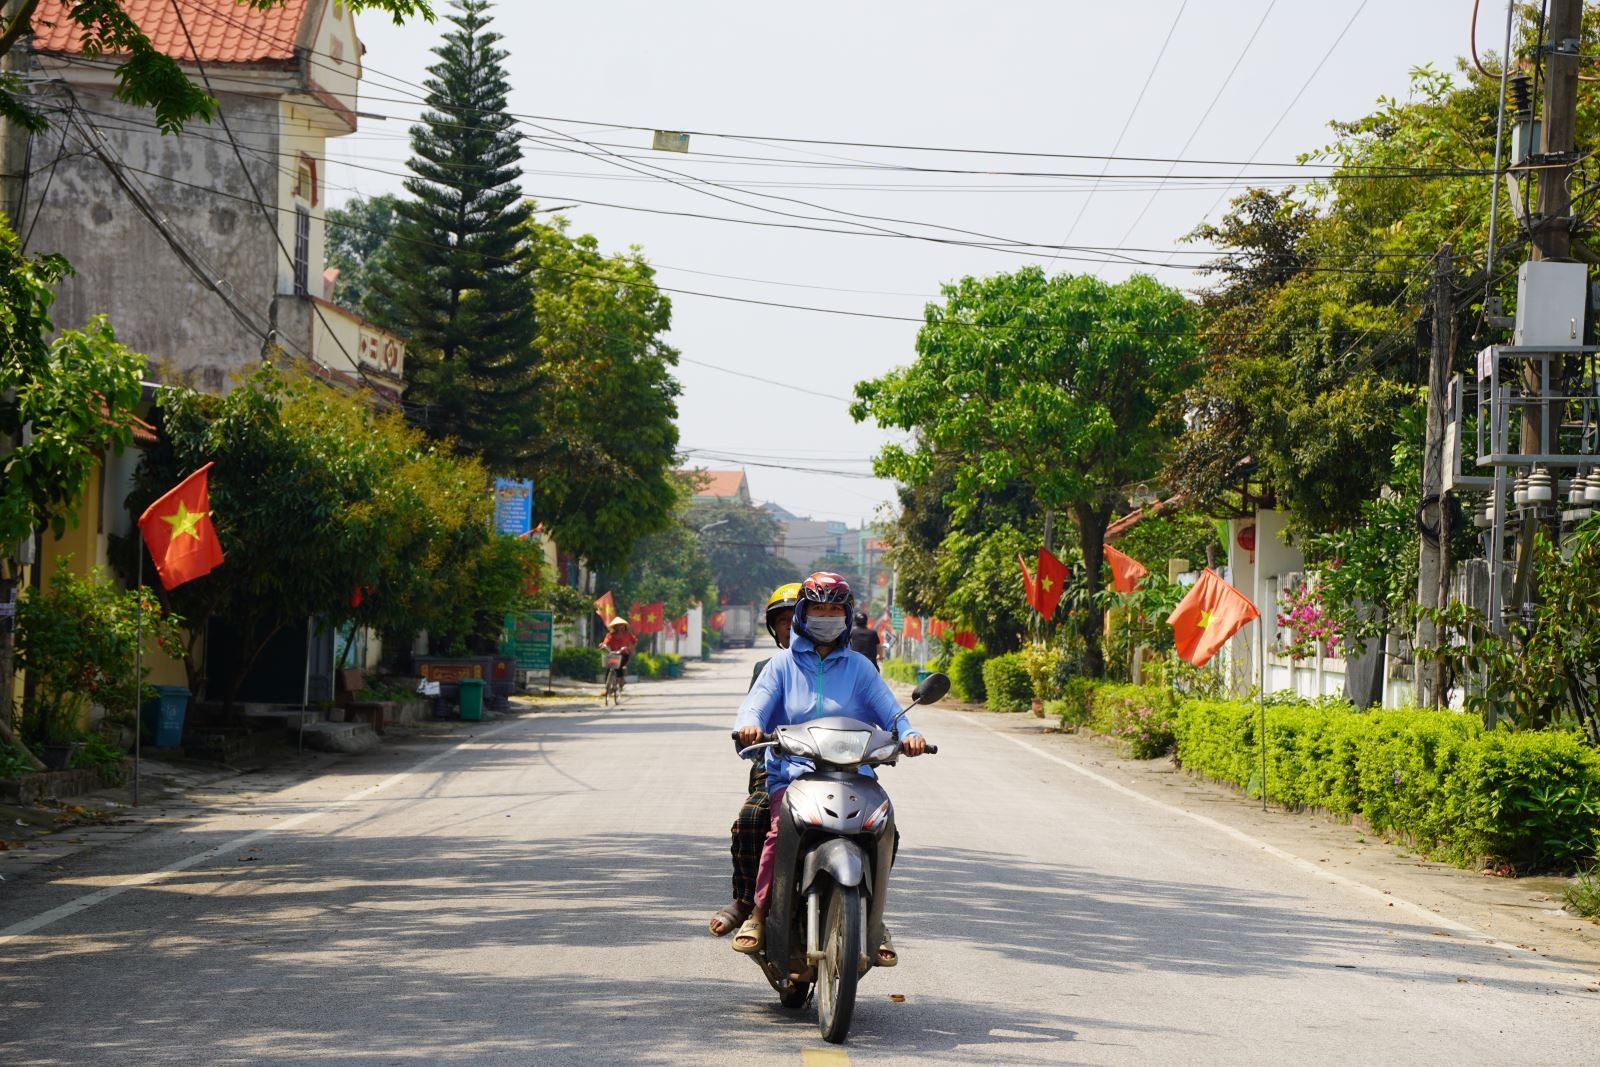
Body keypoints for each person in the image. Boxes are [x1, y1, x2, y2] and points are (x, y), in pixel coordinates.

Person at [730, 572, 927, 965]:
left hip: (855, 775)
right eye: (818, 608)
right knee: (775, 830)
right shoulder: (781, 666)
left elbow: (891, 712)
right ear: (803, 613)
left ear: (847, 615)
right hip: (794, 774)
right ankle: (756, 914)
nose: (826, 616)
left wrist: (909, 732)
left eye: (835, 609)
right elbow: (756, 705)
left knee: (884, 830)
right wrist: (748, 726)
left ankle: (876, 921)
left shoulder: (859, 667)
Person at [708, 582, 800, 938]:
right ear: (774, 627)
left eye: (800, 618)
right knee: (751, 819)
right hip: (777, 768)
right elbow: (752, 712)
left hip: (836, 770)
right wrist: (751, 730)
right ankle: (748, 900)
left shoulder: (849, 664)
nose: (793, 627)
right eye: (784, 620)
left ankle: (871, 914)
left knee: (880, 825)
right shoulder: (769, 667)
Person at [599, 617, 637, 691]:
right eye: (617, 625)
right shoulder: (610, 635)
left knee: (619, 666)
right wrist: (603, 645)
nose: (619, 627)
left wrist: (629, 648)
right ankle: (607, 687)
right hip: (614, 654)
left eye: (621, 625)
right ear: (614, 626)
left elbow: (634, 641)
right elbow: (606, 642)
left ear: (624, 626)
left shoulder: (628, 634)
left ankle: (620, 681)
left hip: (624, 654)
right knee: (609, 667)